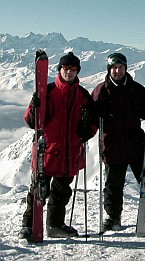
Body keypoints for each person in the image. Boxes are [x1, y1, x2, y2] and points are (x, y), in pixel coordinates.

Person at [18, 52, 97, 241]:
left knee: (61, 193)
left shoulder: (83, 95)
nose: (69, 72)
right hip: (48, 151)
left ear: (77, 71)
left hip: (71, 152)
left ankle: (55, 225)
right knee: (38, 190)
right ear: (60, 69)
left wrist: (88, 131)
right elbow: (31, 122)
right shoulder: (48, 91)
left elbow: (93, 122)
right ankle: (28, 226)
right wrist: (33, 105)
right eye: (65, 68)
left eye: (73, 69)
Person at [92, 53, 145, 232]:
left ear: (126, 68)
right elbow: (92, 118)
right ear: (109, 69)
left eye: (121, 67)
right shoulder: (101, 90)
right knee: (113, 185)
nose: (118, 71)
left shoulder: (135, 89)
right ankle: (113, 217)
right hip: (112, 144)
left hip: (135, 142)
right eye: (114, 68)